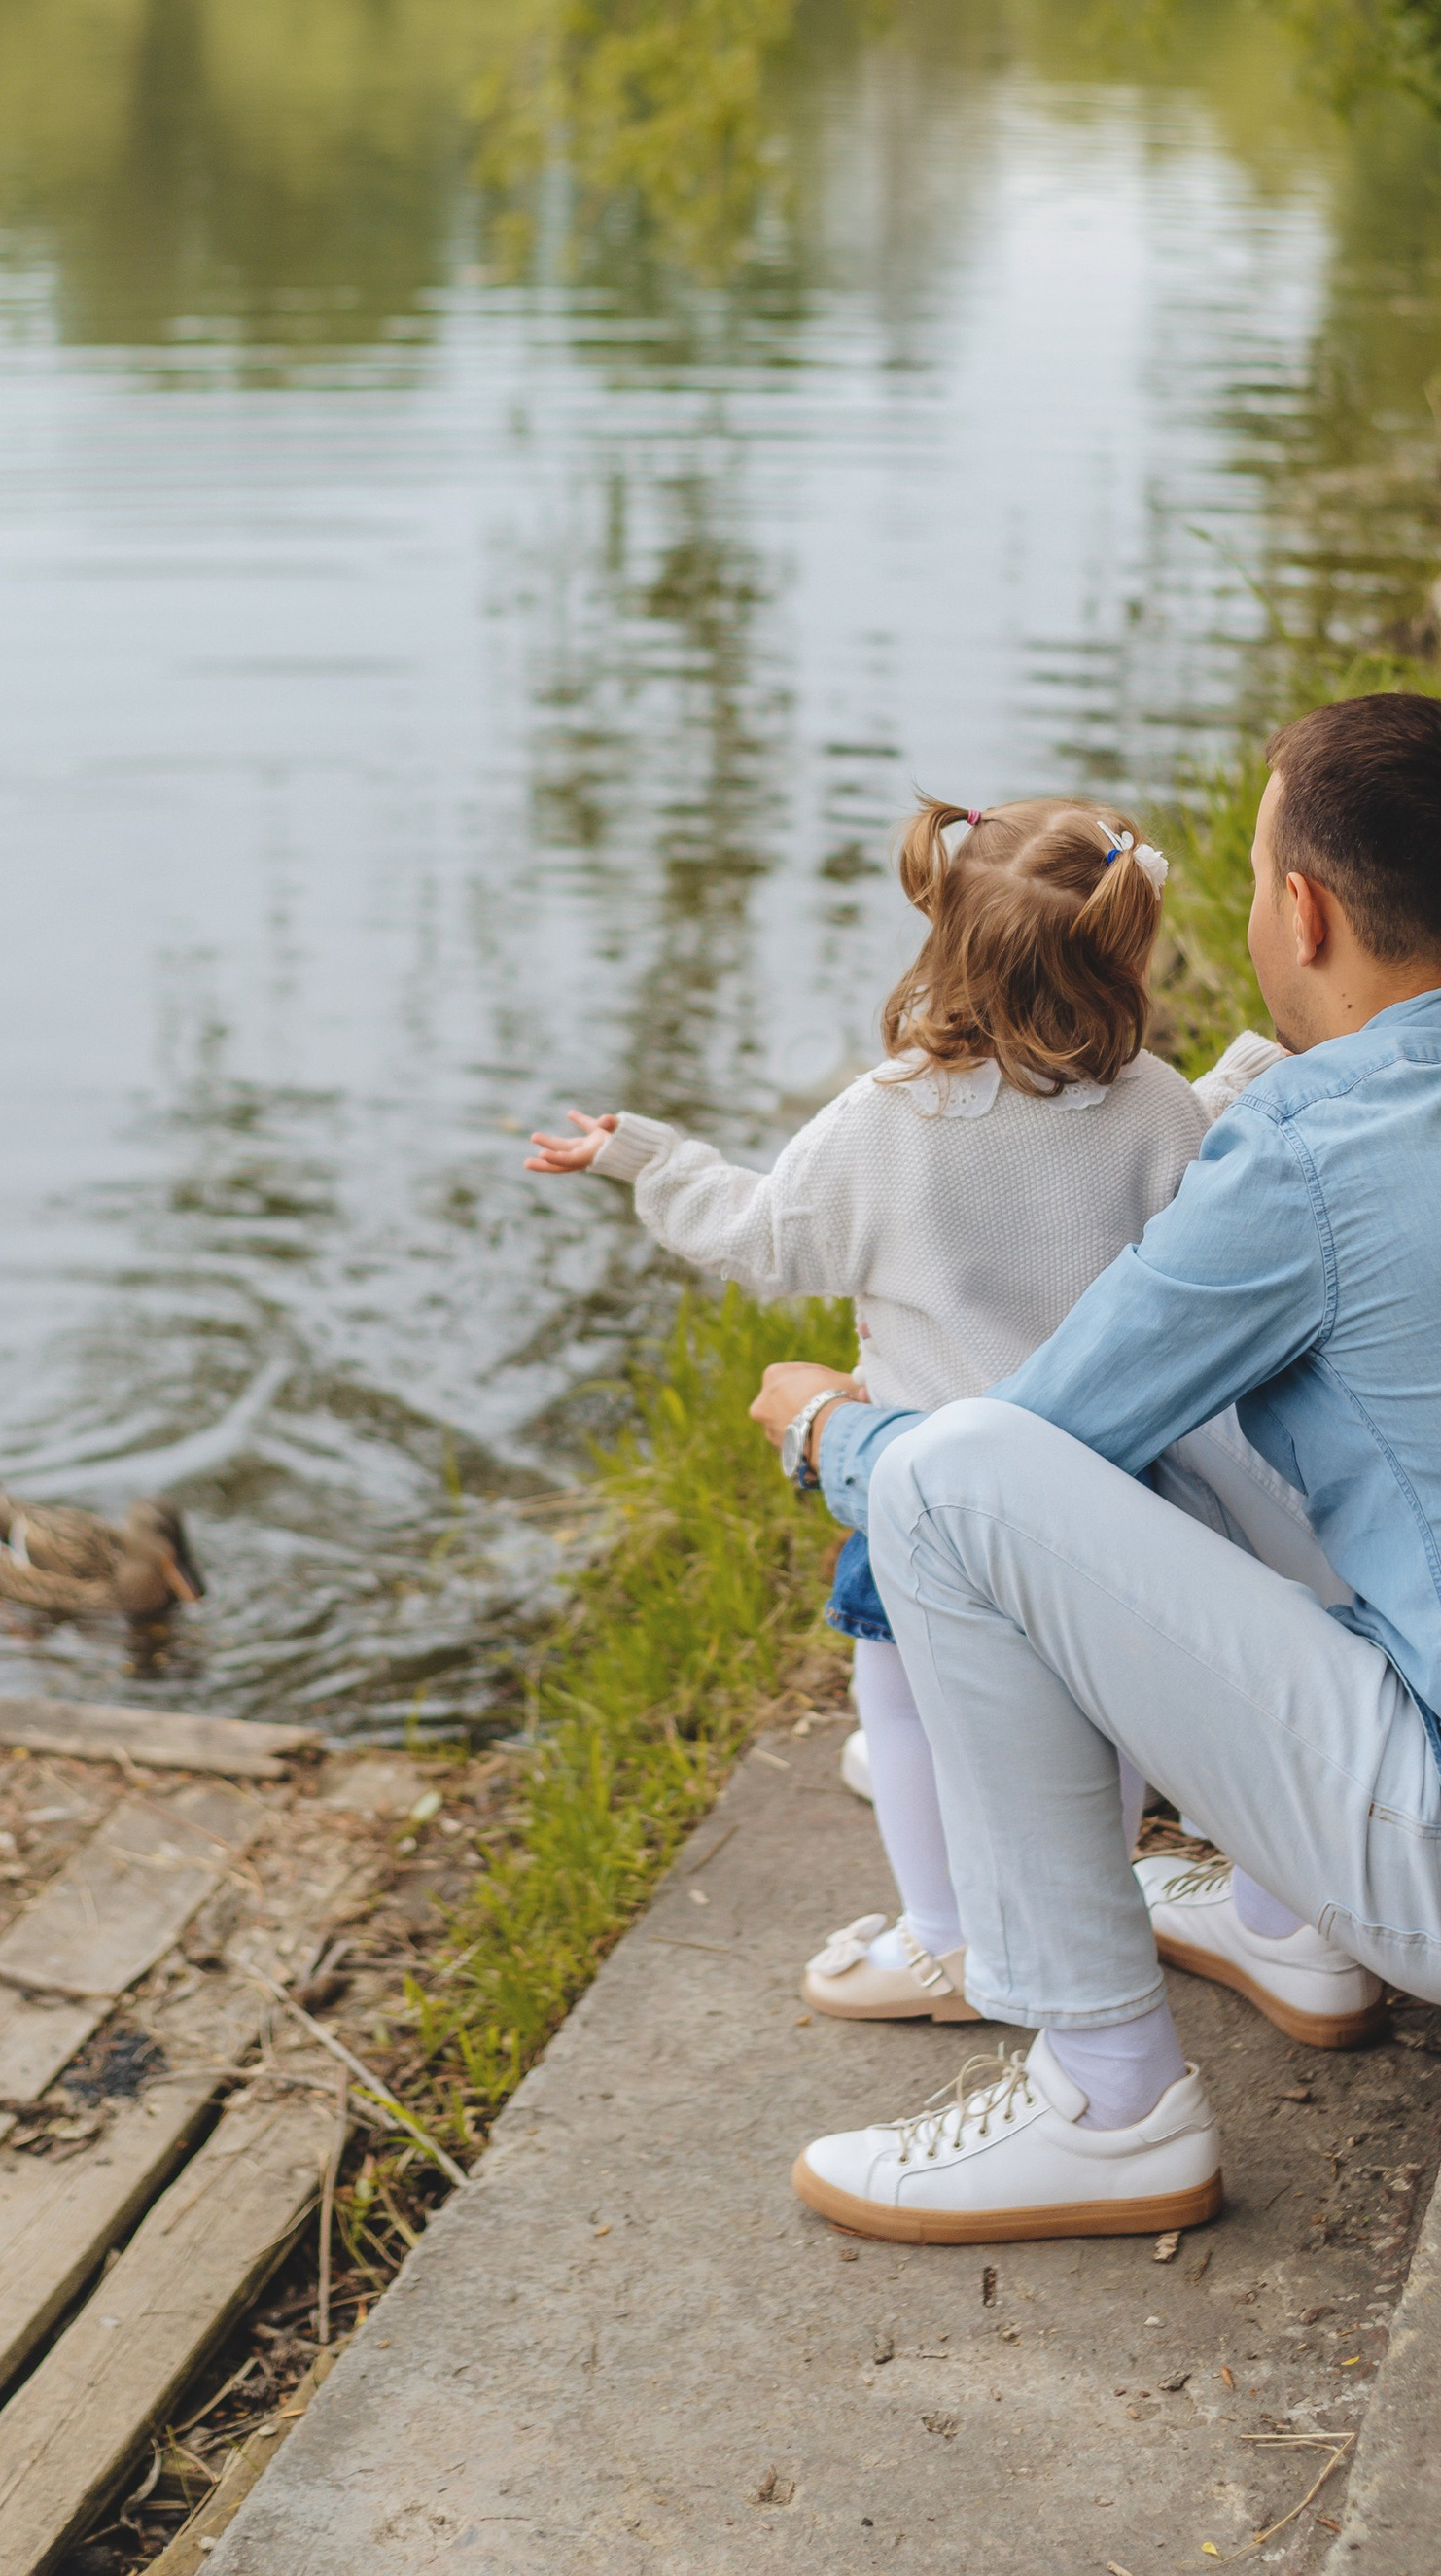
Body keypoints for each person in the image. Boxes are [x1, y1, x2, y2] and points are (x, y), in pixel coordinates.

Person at [756, 691, 1441, 2245]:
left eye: (1254, 881)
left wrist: (834, 1430)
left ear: (1301, 913)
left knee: (950, 1471)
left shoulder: (1308, 1157)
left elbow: (1023, 1457)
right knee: (1193, 1405)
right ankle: (1276, 1910)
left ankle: (1105, 2106)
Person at [525, 794, 1276, 2023]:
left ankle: (947, 1946)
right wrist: (1236, 1082)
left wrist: (643, 1157)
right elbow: (1188, 1198)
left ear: (942, 945)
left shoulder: (889, 1119)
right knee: (1102, 1693)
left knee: (902, 1703)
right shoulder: (1150, 1104)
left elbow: (764, 1239)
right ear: (1123, 957)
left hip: (924, 1497)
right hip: (1113, 1495)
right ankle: (1106, 1852)